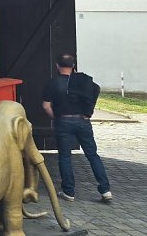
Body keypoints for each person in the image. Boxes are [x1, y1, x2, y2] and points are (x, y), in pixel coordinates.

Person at [42, 53, 111, 202]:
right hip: (83, 121)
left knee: (65, 157)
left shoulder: (53, 83)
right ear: (73, 66)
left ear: (57, 66)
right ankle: (105, 190)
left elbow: (46, 106)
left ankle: (69, 192)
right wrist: (89, 112)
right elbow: (96, 89)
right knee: (92, 155)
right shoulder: (83, 81)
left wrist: (56, 117)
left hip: (63, 122)